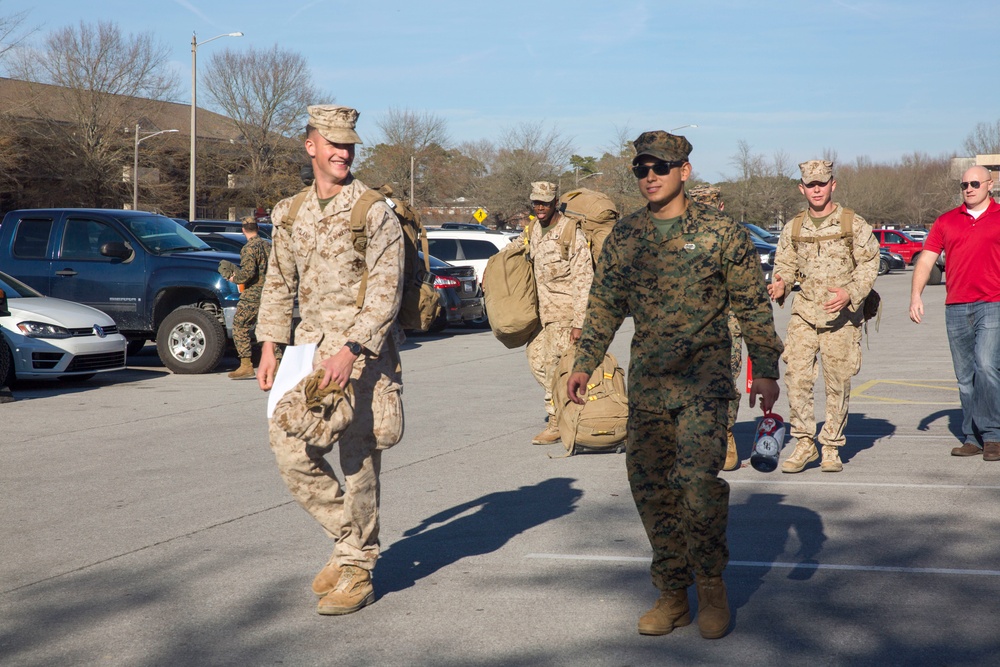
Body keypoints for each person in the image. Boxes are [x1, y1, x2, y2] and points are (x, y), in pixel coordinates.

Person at [567, 131, 782, 639]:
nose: (650, 177)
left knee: (698, 486)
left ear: (684, 170)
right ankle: (671, 593)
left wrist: (767, 369)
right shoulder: (627, 236)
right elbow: (604, 304)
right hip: (649, 385)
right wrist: (584, 361)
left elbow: (752, 303)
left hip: (704, 382)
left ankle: (711, 588)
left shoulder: (721, 232)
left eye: (660, 168)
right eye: (641, 169)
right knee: (648, 486)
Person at [255, 104, 404, 616]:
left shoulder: (374, 211)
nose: (344, 152)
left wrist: (353, 347)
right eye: (334, 143)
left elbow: (387, 293)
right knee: (290, 448)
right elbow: (278, 282)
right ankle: (350, 544)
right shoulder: (290, 212)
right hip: (310, 353)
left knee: (358, 461)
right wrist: (269, 346)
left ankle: (357, 570)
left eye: (350, 145)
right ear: (311, 145)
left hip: (364, 357)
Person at [767, 160, 879, 473]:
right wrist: (781, 285)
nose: (816, 189)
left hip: (841, 317)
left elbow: (870, 262)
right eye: (810, 184)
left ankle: (830, 446)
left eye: (822, 183)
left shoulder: (851, 223)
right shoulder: (794, 227)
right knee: (798, 379)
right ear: (802, 188)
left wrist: (851, 293)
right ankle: (804, 441)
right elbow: (786, 266)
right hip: (804, 315)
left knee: (838, 383)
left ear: (833, 185)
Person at [910, 165, 1000, 460]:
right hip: (956, 306)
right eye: (964, 185)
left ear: (990, 184)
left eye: (975, 183)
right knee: (965, 376)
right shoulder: (946, 221)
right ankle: (972, 437)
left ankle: (993, 435)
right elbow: (926, 259)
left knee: (986, 366)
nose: (969, 189)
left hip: (993, 302)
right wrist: (915, 295)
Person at [517, 181, 593, 445]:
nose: (539, 207)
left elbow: (584, 278)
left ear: (555, 202)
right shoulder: (534, 229)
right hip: (542, 315)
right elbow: (518, 248)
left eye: (545, 203)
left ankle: (555, 422)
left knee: (552, 367)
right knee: (535, 360)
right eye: (536, 202)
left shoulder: (570, 232)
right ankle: (568, 404)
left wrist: (579, 322)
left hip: (565, 314)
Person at [689, 185, 741, 472]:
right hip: (690, 324)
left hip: (727, 322)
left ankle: (727, 434)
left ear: (720, 207)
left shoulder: (735, 237)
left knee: (727, 382)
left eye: (711, 207)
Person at [220, 217, 272, 380]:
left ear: (243, 230)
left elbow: (248, 273)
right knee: (268, 329)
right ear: (256, 228)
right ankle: (276, 364)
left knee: (240, 325)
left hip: (253, 293)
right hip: (269, 292)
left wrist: (233, 278)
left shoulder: (249, 248)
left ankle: (246, 365)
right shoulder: (267, 245)